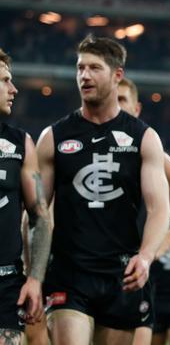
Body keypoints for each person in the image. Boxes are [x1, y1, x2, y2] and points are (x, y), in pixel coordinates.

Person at [36, 35, 170, 345]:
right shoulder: (53, 137)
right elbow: (37, 215)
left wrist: (147, 256)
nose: (84, 76)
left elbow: (160, 208)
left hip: (121, 275)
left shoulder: (143, 138)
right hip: (70, 274)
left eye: (95, 68)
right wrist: (33, 274)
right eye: (80, 68)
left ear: (117, 75)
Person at [117, 78, 170, 345]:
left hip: (136, 281)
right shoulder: (75, 143)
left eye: (122, 100)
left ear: (137, 108)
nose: (116, 107)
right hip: (86, 274)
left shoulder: (153, 155)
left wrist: (152, 253)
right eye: (112, 99)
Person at [0, 48, 52, 344]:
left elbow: (40, 218)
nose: (14, 89)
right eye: (5, 80)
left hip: (6, 284)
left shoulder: (20, 144)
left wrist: (35, 278)